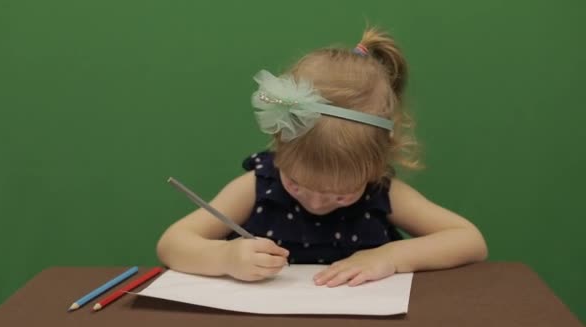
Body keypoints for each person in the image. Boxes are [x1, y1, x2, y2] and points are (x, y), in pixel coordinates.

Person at [157, 27, 488, 287]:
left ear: (374, 166)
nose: (316, 203)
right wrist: (226, 258)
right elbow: (172, 243)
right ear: (280, 146)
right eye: (298, 185)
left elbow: (469, 240)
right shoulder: (259, 185)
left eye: (341, 194)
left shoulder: (381, 193)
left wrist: (391, 256)